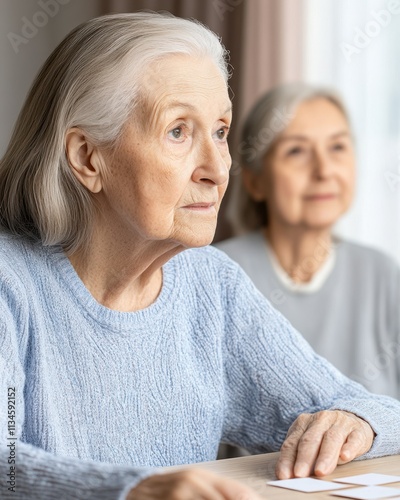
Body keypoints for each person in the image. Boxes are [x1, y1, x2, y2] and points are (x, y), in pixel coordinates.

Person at [0, 13, 399, 500]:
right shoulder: (11, 283)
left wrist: (356, 422)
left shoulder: (211, 285)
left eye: (220, 131)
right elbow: (6, 462)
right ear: (87, 158)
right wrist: (134, 490)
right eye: (178, 132)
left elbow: (366, 409)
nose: (216, 168)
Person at [216, 83, 400, 400]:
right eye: (296, 151)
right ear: (255, 180)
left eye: (338, 147)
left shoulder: (381, 274)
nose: (324, 170)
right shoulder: (217, 275)